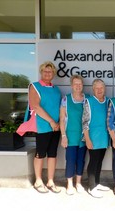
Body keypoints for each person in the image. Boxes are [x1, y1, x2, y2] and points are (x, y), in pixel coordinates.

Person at [18, 61, 62, 193]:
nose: (48, 73)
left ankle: (50, 181)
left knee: (53, 154)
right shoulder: (35, 86)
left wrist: (58, 123)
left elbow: (59, 107)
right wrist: (51, 122)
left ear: (53, 73)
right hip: (43, 126)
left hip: (55, 127)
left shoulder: (56, 89)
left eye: (50, 71)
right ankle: (38, 181)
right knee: (40, 153)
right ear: (41, 72)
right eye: (45, 71)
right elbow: (36, 106)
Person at [59, 75, 87, 195]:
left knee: (81, 160)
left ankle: (78, 183)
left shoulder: (87, 99)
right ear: (71, 85)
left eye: (80, 84)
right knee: (70, 160)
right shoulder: (66, 99)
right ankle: (69, 183)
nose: (78, 86)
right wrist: (63, 136)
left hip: (83, 136)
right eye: (75, 84)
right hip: (70, 136)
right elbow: (61, 119)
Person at [83, 79, 110, 198]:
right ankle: (91, 187)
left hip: (104, 138)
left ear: (104, 89)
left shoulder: (108, 101)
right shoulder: (88, 101)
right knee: (93, 162)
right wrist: (87, 139)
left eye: (101, 88)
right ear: (93, 89)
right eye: (97, 88)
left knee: (99, 161)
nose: (99, 90)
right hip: (93, 137)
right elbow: (84, 122)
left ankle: (97, 183)